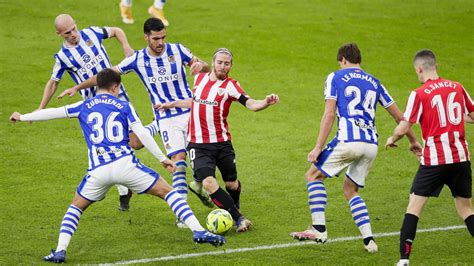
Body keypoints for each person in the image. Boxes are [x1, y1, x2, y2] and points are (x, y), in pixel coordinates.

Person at [10, 69, 225, 263]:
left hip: (98, 171)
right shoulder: (123, 105)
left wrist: (22, 117)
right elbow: (140, 135)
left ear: (98, 86)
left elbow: (53, 113)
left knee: (75, 207)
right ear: (115, 87)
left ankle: (60, 251)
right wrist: (162, 158)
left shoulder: (84, 105)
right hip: (126, 165)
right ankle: (198, 231)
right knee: (168, 193)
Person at [58, 18, 214, 227]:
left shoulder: (178, 50)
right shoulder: (138, 59)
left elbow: (204, 67)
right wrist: (77, 88)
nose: (161, 42)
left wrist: (199, 65)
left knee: (205, 155)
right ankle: (182, 215)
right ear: (146, 37)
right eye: (156, 38)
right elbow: (106, 76)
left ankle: (197, 183)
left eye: (163, 37)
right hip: (166, 116)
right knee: (178, 160)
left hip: (191, 109)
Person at [289, 43, 421, 253]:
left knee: (313, 176)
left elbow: (329, 114)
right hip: (371, 145)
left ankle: (319, 229)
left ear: (342, 60)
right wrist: (414, 141)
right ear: (358, 59)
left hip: (348, 140)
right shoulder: (375, 82)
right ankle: (369, 241)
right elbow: (399, 117)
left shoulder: (336, 77)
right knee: (350, 190)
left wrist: (317, 147)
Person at [156, 48, 280, 232]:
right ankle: (239, 219)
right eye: (220, 62)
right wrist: (172, 104)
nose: (223, 66)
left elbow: (251, 104)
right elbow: (196, 100)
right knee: (209, 182)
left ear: (231, 66)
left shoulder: (231, 86)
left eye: (227, 63)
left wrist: (265, 102)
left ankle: (232, 208)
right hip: (198, 144)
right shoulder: (199, 79)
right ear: (213, 63)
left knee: (232, 184)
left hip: (222, 143)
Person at [39, 14, 148, 211]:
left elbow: (116, 30)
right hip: (93, 107)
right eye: (67, 33)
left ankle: (156, 128)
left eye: (73, 29)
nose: (73, 34)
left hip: (118, 96)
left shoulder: (91, 33)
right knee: (108, 149)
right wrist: (40, 108)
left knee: (137, 142)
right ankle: (123, 190)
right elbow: (53, 82)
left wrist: (125, 45)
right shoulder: (63, 57)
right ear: (59, 34)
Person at [385, 49, 474, 266]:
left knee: (413, 207)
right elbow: (472, 116)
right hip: (461, 159)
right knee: (466, 209)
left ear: (419, 69)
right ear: (436, 66)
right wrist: (455, 120)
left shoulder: (420, 93)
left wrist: (392, 137)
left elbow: (405, 124)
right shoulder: (457, 87)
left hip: (434, 161)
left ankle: (404, 259)